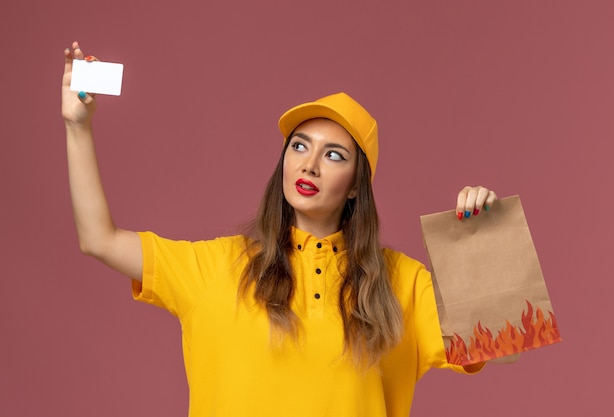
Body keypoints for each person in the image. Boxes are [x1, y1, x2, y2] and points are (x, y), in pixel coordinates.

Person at [61, 41, 514, 417]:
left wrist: (482, 240)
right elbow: (98, 239)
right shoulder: (218, 266)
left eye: (334, 155)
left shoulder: (402, 284)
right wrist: (77, 128)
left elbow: (506, 342)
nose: (310, 164)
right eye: (300, 145)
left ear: (357, 185)